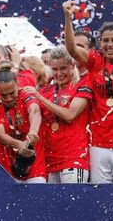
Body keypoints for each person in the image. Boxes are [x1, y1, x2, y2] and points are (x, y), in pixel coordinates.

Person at [63, 0, 113, 183]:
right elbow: (72, 49)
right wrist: (68, 17)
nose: (109, 45)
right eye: (105, 41)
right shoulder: (95, 61)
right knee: (100, 196)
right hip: (98, 143)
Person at [24, 47, 91, 183]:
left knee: (73, 203)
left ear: (72, 66)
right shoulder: (45, 89)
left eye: (63, 68)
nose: (59, 73)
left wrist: (40, 98)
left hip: (73, 158)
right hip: (50, 160)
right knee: (54, 204)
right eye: (55, 69)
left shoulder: (82, 85)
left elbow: (70, 115)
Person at [0, 67, 47, 183]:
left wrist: (33, 132)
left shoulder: (25, 94)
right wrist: (19, 144)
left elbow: (34, 111)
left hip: (35, 167)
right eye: (4, 95)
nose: (9, 98)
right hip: (8, 169)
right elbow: (0, 135)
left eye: (12, 93)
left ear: (17, 85)